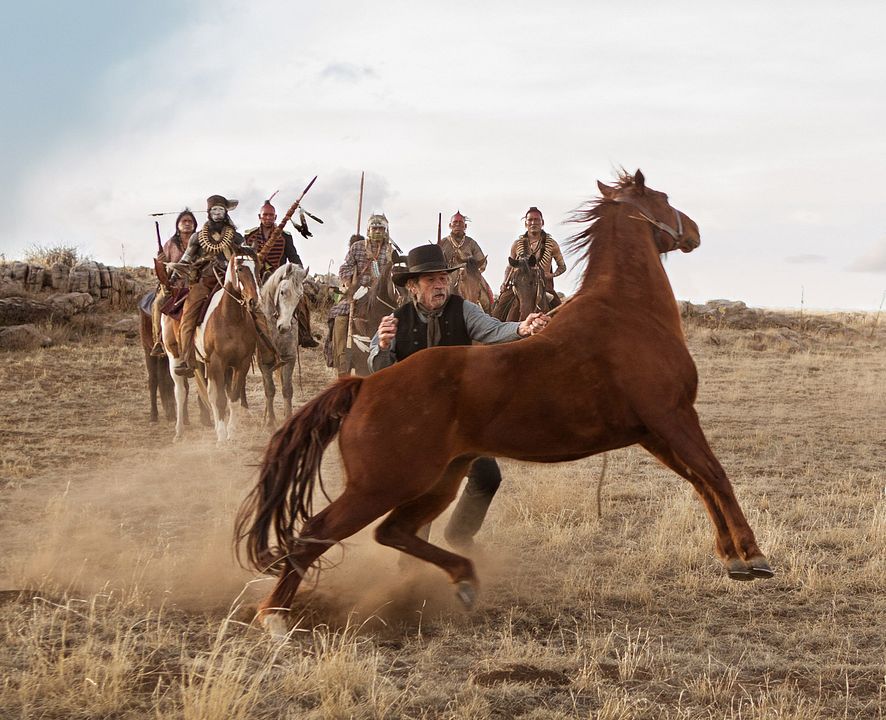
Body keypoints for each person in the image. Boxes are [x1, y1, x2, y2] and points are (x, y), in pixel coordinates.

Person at [368, 243, 549, 549]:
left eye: (443, 278)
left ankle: (459, 534)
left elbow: (493, 330)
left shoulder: (464, 309)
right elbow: (379, 372)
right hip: (418, 423)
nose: (440, 285)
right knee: (424, 489)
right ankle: (412, 558)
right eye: (431, 280)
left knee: (487, 478)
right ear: (413, 286)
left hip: (460, 419)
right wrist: (384, 348)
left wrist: (522, 328)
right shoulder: (394, 321)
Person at [170, 194, 280, 377]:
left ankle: (268, 354)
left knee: (256, 310)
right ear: (209, 212)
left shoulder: (235, 236)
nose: (217, 213)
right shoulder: (198, 237)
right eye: (214, 210)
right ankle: (186, 358)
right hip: (206, 281)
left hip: (232, 281)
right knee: (188, 312)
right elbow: (186, 259)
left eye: (221, 210)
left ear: (226, 213)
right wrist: (174, 275)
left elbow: (245, 256)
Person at [244, 198, 319, 348]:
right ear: (259, 217)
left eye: (271, 215)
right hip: (256, 278)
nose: (268, 218)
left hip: (279, 280)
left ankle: (305, 334)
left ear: (275, 217)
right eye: (265, 215)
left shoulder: (285, 236)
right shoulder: (249, 235)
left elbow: (293, 257)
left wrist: (299, 273)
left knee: (301, 300)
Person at [328, 214, 392, 375]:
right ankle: (342, 359)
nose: (377, 231)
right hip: (358, 293)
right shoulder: (358, 247)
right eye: (374, 228)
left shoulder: (390, 250)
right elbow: (345, 267)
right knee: (339, 316)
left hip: (381, 296)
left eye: (380, 228)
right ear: (368, 230)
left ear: (385, 230)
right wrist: (350, 285)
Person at [499, 206, 567, 312]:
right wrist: (504, 283)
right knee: (499, 308)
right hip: (520, 287)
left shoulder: (552, 244)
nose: (533, 223)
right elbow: (509, 266)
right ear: (526, 223)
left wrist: (551, 275)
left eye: (536, 220)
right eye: (530, 220)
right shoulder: (517, 244)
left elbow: (562, 266)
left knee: (560, 313)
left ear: (542, 222)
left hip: (544, 287)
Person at [150, 209, 195, 356]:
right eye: (184, 221)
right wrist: (161, 261)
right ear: (178, 225)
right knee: (157, 304)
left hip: (196, 283)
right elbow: (162, 268)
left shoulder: (199, 242)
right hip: (175, 285)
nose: (187, 224)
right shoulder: (170, 244)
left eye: (190, 221)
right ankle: (158, 341)